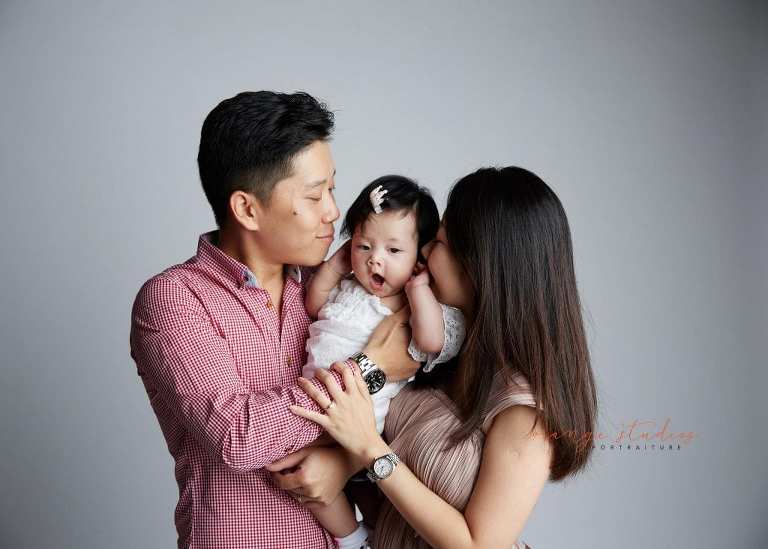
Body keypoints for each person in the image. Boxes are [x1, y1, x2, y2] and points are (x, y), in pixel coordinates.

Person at [129, 91, 420, 549]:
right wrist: (370, 368)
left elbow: (412, 406)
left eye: (332, 189)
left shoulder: (335, 288)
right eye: (314, 195)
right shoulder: (174, 300)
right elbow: (239, 436)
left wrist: (345, 462)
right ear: (247, 209)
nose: (333, 211)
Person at [283, 166, 598, 548]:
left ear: (479, 267)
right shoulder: (449, 349)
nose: (425, 251)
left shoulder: (523, 413)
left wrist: (369, 451)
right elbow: (383, 422)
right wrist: (343, 463)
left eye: (440, 242)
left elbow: (479, 545)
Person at [301, 175, 466, 548]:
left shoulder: (412, 304)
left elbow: (430, 339)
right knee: (313, 484)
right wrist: (335, 266)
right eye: (363, 246)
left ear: (420, 257)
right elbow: (313, 303)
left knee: (358, 490)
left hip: (363, 421)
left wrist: (418, 289)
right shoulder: (348, 286)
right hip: (317, 405)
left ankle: (362, 538)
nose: (375, 259)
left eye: (393, 250)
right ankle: (356, 538)